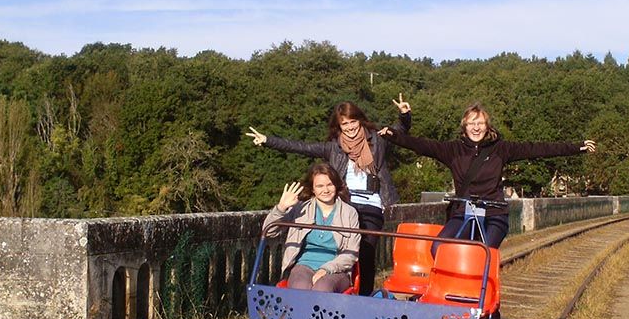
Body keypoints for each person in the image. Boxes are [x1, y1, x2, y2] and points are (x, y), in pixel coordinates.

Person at [247, 95, 411, 296]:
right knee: (334, 243)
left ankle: (363, 296)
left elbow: (399, 131)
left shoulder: (376, 140)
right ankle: (334, 283)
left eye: (353, 122)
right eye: (345, 124)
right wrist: (267, 140)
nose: (350, 127)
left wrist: (405, 115)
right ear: (339, 127)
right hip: (343, 201)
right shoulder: (334, 147)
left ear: (360, 120)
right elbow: (300, 147)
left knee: (366, 249)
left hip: (370, 203)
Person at [380, 102, 596, 250]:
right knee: (440, 248)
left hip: (494, 214)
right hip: (462, 213)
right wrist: (393, 135)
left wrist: (577, 147)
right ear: (464, 126)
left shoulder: (500, 149)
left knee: (484, 255)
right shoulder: (452, 150)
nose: (476, 127)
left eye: (480, 123)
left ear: (487, 126)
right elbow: (421, 145)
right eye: (471, 123)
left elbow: (539, 148)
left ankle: (487, 308)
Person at [262, 163, 360, 292]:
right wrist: (281, 208)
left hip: (336, 269)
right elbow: (269, 232)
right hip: (304, 266)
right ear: (313, 189)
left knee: (322, 288)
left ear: (336, 185)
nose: (325, 190)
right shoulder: (300, 209)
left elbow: (351, 252)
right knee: (300, 287)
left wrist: (326, 269)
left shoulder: (349, 213)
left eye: (329, 185)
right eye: (320, 186)